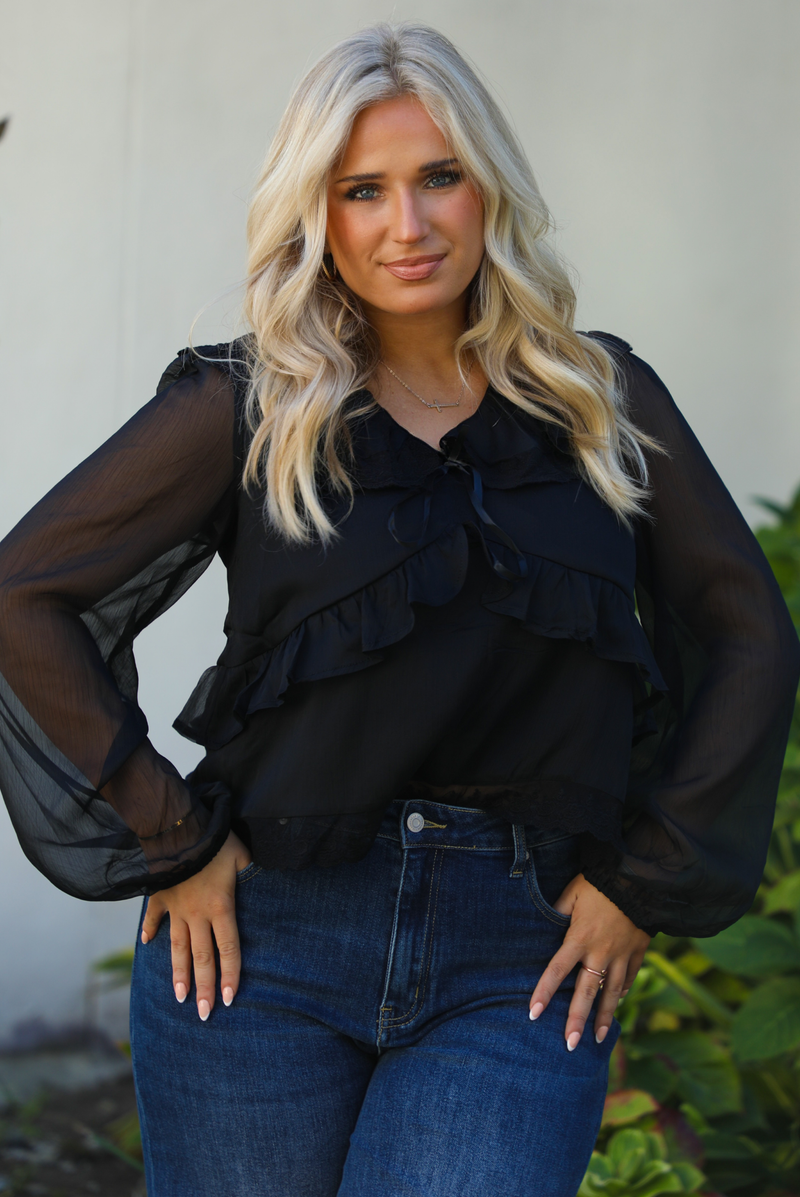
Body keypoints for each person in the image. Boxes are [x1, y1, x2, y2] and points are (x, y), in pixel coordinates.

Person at [0, 21, 797, 1197]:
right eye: (358, 190)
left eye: (437, 178)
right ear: (313, 212)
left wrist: (648, 876)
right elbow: (24, 595)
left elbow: (747, 631)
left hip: (517, 961)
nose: (405, 226)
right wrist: (169, 843)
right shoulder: (249, 405)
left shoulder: (600, 402)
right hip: (260, 948)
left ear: (488, 188)